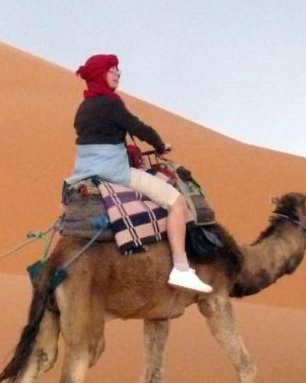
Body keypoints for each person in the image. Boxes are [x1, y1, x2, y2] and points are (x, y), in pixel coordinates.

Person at [66, 54, 212, 293]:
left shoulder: (83, 108)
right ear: (98, 75)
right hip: (115, 172)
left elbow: (101, 137)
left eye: (117, 69)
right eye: (111, 69)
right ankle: (181, 268)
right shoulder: (110, 103)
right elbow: (137, 127)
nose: (117, 73)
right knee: (177, 203)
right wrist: (160, 145)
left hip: (84, 173)